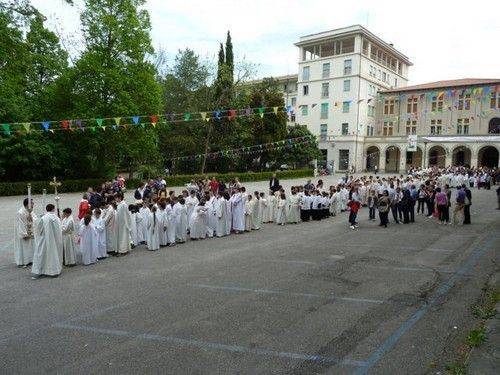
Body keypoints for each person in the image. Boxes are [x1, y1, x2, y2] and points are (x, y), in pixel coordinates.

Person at [31, 204, 63, 279]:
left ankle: (40, 271)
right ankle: (54, 271)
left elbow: (39, 229)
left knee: (41, 255)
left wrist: (35, 220)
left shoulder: (44, 218)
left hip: (44, 240)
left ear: (46, 209)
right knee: (53, 255)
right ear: (53, 209)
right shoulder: (57, 218)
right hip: (54, 240)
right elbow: (59, 229)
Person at [14, 198, 37, 267]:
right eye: (32, 203)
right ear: (28, 204)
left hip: (30, 231)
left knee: (30, 246)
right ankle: (22, 261)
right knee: (23, 247)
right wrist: (24, 234)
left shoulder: (30, 211)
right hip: (24, 233)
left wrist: (32, 219)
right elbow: (19, 224)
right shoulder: (20, 212)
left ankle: (30, 260)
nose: (33, 204)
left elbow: (35, 218)